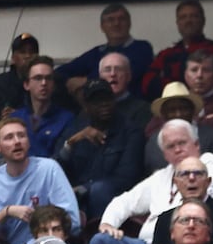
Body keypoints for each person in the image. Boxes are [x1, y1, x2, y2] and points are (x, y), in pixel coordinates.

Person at [89, 118, 213, 244]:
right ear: (165, 155)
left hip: (186, 243)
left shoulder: (209, 163)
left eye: (182, 143)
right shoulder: (161, 175)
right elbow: (124, 201)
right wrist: (108, 224)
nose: (178, 150)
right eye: (170, 146)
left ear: (196, 144)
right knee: (100, 241)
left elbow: (206, 200)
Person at [0, 117, 80, 244]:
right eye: (9, 137)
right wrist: (6, 212)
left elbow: (72, 221)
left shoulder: (49, 169)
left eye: (21, 135)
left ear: (28, 142)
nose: (17, 141)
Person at [55, 78, 145, 220]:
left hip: (115, 198)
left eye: (107, 99)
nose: (104, 105)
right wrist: (71, 142)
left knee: (99, 190)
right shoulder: (75, 128)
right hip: (77, 198)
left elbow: (127, 176)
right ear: (86, 106)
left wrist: (85, 188)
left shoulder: (130, 131)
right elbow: (55, 167)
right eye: (97, 101)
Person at [55, 4, 154, 95]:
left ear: (129, 23)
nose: (116, 23)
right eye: (110, 20)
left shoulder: (142, 48)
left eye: (121, 19)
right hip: (96, 106)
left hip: (131, 107)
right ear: (102, 27)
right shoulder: (96, 52)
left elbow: (122, 73)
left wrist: (86, 81)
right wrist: (70, 82)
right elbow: (61, 71)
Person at [142, 0, 213, 100]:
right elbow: (147, 85)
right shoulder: (166, 54)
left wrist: (167, 80)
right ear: (178, 23)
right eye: (183, 17)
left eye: (193, 16)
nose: (188, 21)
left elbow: (209, 81)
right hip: (168, 105)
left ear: (203, 20)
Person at [11, 55, 72, 159]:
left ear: (54, 84)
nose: (44, 83)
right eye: (38, 78)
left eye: (48, 78)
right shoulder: (14, 119)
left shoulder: (67, 119)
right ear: (26, 84)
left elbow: (62, 159)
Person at [0, 32, 39, 118]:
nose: (28, 56)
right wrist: (2, 116)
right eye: (23, 52)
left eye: (32, 52)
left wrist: (20, 115)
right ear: (13, 58)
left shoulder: (45, 82)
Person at [98, 52, 157, 128]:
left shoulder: (143, 109)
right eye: (107, 70)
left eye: (118, 69)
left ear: (128, 76)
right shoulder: (90, 109)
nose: (113, 74)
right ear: (100, 77)